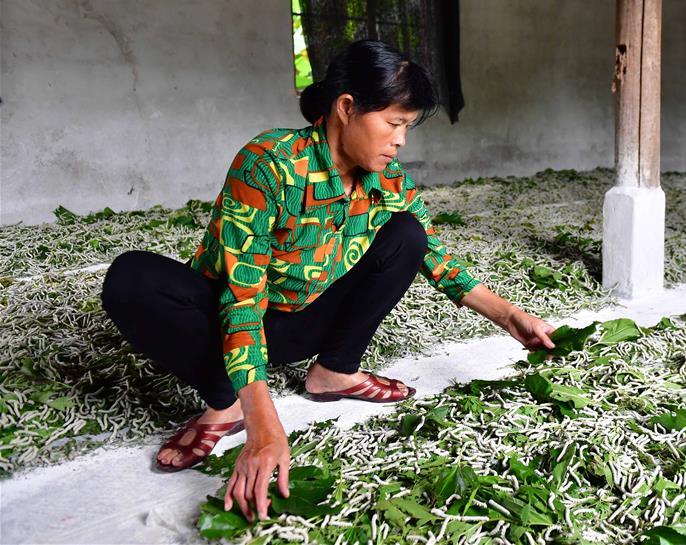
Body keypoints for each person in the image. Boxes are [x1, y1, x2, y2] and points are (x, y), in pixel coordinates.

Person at [100, 39, 556, 522]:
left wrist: (510, 316)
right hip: (227, 325)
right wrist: (265, 425)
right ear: (346, 108)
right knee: (132, 277)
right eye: (394, 123)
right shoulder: (269, 163)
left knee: (409, 234)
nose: (401, 140)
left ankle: (334, 370)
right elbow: (242, 297)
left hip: (306, 320)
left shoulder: (389, 178)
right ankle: (227, 401)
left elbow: (438, 261)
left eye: (406, 127)